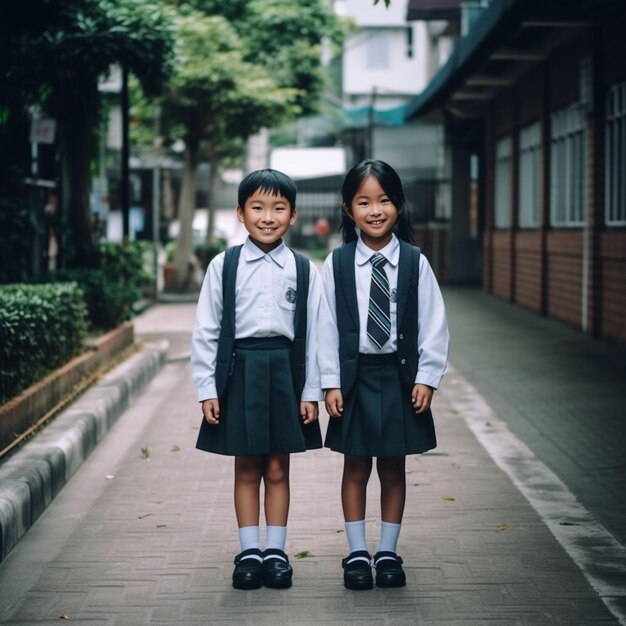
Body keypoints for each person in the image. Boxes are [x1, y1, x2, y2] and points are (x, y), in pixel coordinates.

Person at [318, 159, 450, 590]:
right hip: (355, 379)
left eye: (385, 200)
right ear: (347, 209)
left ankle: (388, 551)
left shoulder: (415, 262)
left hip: (399, 379)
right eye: (364, 202)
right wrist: (331, 381)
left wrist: (427, 377)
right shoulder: (336, 264)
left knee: (394, 468)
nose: (375, 210)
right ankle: (357, 552)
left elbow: (434, 324)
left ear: (399, 205)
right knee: (355, 466)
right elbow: (325, 328)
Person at [191, 169, 323, 590]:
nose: (268, 217)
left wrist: (312, 391)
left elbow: (318, 335)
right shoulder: (223, 265)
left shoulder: (304, 269)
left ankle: (276, 552)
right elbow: (206, 330)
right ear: (240, 214)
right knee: (246, 465)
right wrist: (207, 388)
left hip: (285, 370)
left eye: (279, 208)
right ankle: (249, 551)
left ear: (293, 216)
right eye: (258, 208)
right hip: (240, 369)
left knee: (278, 466)